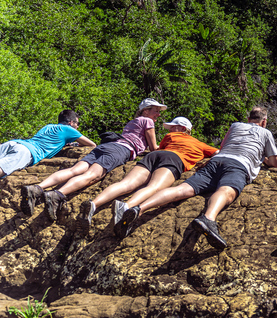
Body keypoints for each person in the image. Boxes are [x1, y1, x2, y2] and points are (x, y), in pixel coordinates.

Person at [114, 106, 277, 249]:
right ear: (264, 121)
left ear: (248, 119)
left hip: (216, 161)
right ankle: (208, 218)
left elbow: (222, 146)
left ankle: (138, 208)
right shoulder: (265, 132)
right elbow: (274, 162)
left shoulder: (235, 126)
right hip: (238, 164)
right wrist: (260, 156)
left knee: (182, 189)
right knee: (226, 190)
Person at [21, 98, 166, 222]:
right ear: (145, 111)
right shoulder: (147, 121)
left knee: (74, 170)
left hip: (107, 146)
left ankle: (38, 188)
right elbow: (153, 147)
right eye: (156, 110)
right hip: (120, 150)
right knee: (92, 175)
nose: (158, 114)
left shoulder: (133, 122)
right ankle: (58, 195)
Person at [76, 116, 219, 234]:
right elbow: (218, 152)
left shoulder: (170, 137)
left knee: (127, 183)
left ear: (183, 129)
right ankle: (127, 206)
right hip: (174, 159)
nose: (170, 129)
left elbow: (157, 148)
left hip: (153, 156)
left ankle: (93, 204)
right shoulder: (200, 144)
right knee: (154, 187)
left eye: (173, 127)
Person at [1, 110, 96, 184]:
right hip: (27, 151)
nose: (77, 127)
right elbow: (92, 144)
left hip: (13, 144)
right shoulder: (69, 129)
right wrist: (75, 144)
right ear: (71, 123)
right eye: (77, 124)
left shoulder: (48, 126)